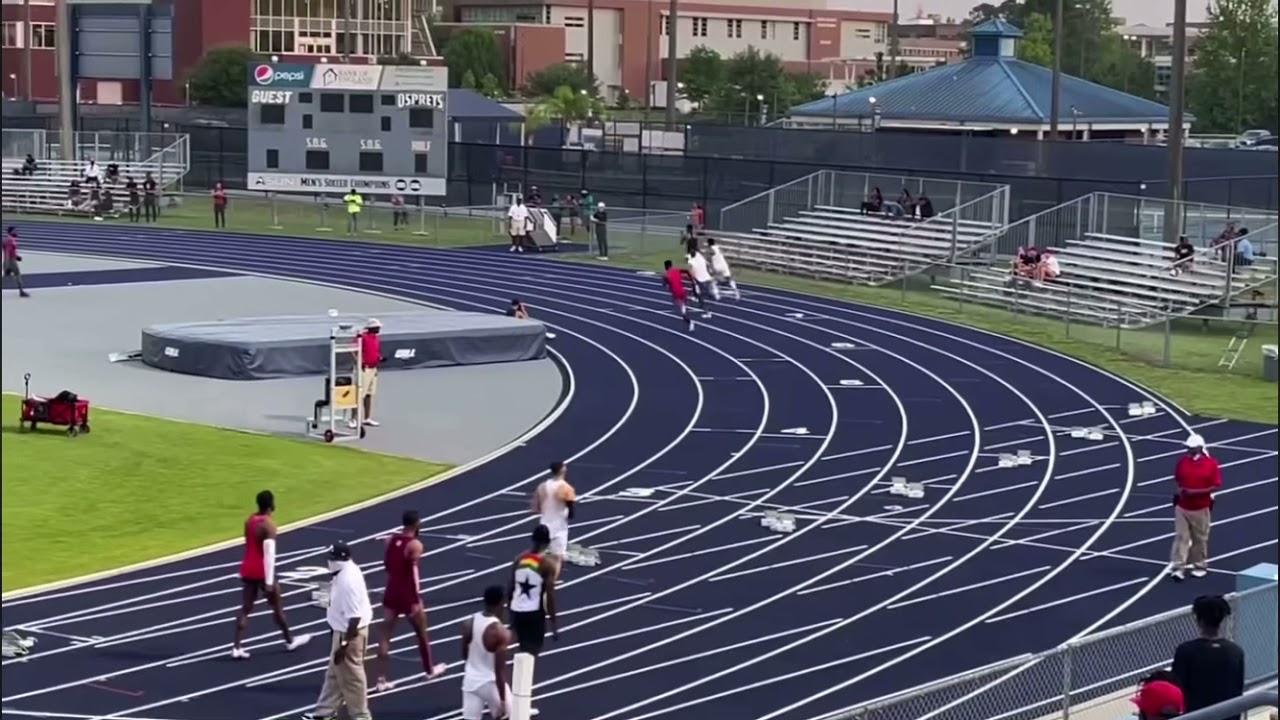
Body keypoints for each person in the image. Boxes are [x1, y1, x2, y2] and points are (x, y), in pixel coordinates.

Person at [374, 511, 447, 692]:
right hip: (407, 594)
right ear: (417, 523)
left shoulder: (390, 540)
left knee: (385, 634)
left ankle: (381, 680)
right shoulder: (415, 545)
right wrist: (416, 598)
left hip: (391, 590)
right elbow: (414, 575)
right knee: (421, 632)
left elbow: (387, 565)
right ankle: (429, 670)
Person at [232, 490, 310, 659]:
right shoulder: (269, 525)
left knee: (246, 608)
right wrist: (268, 581)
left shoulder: (249, 520)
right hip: (262, 570)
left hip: (248, 567)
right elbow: (269, 554)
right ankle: (290, 641)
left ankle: (237, 647)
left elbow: (249, 543)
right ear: (270, 505)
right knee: (276, 607)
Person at [303, 541, 373, 720]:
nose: (329, 562)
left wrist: (343, 645)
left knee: (352, 677)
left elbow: (354, 618)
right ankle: (324, 712)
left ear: (340, 560)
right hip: (340, 629)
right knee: (334, 673)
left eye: (332, 559)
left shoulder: (348, 580)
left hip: (349, 634)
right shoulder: (343, 572)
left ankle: (361, 716)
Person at [1172, 595, 1245, 717]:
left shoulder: (1186, 651)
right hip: (1228, 714)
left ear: (1199, 621)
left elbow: (1177, 687)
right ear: (1221, 621)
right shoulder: (1235, 651)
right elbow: (1238, 686)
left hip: (1196, 715)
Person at [1169, 433, 1221, 581]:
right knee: (1181, 537)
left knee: (1200, 538)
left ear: (1198, 448)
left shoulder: (1211, 464)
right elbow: (1178, 479)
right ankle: (1178, 567)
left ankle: (1199, 565)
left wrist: (1195, 492)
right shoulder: (1182, 462)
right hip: (1182, 506)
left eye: (1190, 448)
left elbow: (1215, 486)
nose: (1187, 450)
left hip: (1201, 507)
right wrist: (1180, 492)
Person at [460, 585, 512, 720]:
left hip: (470, 683)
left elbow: (465, 654)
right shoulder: (500, 632)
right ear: (502, 603)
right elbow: (499, 671)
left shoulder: (469, 622)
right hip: (490, 684)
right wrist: (502, 700)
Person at [507, 525, 560, 657]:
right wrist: (553, 623)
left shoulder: (519, 559)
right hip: (533, 614)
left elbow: (510, 589)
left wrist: (511, 613)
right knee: (532, 652)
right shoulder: (546, 564)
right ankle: (521, 676)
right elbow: (550, 595)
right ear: (547, 543)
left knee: (520, 647)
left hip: (516, 611)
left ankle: (516, 673)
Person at [532, 461, 576, 581]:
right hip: (559, 526)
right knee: (557, 557)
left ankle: (535, 576)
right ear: (562, 470)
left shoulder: (542, 486)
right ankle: (551, 581)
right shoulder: (566, 488)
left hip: (544, 524)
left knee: (539, 553)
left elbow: (535, 508)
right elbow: (571, 509)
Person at [350, 318, 382, 428]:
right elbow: (353, 351)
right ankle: (353, 419)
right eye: (377, 327)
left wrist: (379, 359)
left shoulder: (376, 338)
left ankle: (367, 418)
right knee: (358, 394)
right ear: (371, 328)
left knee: (369, 394)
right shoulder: (361, 337)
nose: (379, 329)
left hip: (373, 369)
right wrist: (360, 362)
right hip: (363, 369)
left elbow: (375, 351)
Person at [663, 259, 696, 332]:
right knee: (684, 307)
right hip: (683, 292)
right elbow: (686, 271)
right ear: (671, 265)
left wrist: (667, 285)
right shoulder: (676, 270)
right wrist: (691, 279)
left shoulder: (666, 275)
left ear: (666, 266)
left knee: (683, 312)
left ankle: (690, 322)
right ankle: (688, 315)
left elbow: (664, 284)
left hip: (676, 295)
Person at [3, 227, 30, 298]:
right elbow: (7, 252)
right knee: (17, 275)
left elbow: (11, 251)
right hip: (11, 261)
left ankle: (21, 291)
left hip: (10, 260)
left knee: (5, 276)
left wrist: (17, 256)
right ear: (11, 232)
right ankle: (21, 292)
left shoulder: (9, 239)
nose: (17, 232)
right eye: (15, 231)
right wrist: (7, 262)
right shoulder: (9, 240)